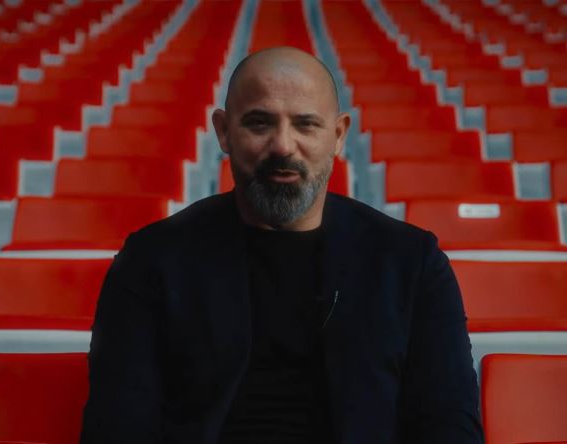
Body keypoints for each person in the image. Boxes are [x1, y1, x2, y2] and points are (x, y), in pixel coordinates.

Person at [80, 47, 484, 443]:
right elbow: (118, 426)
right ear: (224, 131)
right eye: (259, 123)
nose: (283, 146)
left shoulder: (413, 262)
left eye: (306, 125)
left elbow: (449, 423)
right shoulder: (151, 259)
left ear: (338, 135)